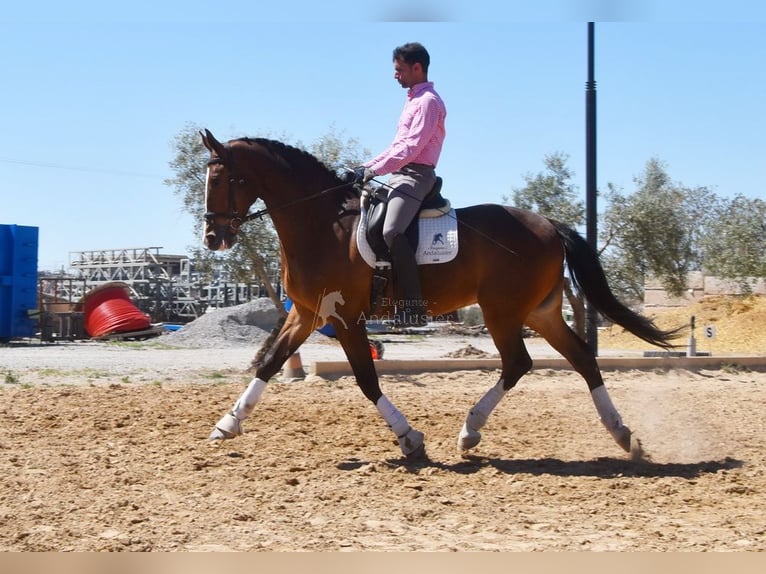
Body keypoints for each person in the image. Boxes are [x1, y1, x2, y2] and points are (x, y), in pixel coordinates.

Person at [352, 42, 447, 328]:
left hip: (416, 175)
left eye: (400, 70)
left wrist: (372, 169)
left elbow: (411, 149)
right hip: (400, 174)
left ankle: (413, 307)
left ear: (417, 67)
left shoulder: (428, 102)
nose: (396, 75)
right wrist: (365, 168)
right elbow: (396, 147)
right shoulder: (413, 100)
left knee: (392, 229)